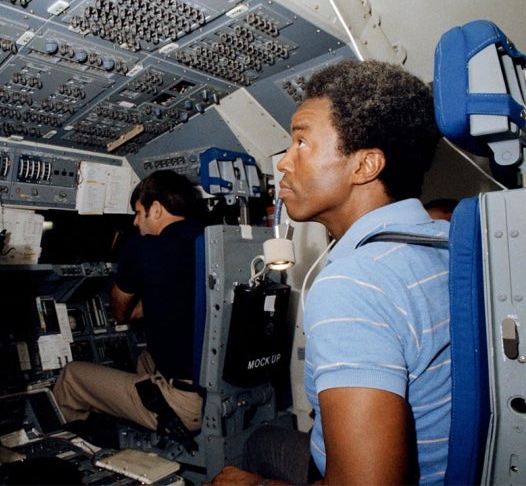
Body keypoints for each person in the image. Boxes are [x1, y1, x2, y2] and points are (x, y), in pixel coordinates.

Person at [211, 60, 450, 485]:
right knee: (265, 441)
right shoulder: (446, 244)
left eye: (301, 143)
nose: (283, 163)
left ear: (364, 166)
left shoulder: (355, 283)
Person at [53, 169, 205, 437]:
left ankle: (73, 450)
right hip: (220, 391)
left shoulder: (142, 248)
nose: (135, 222)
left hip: (186, 405)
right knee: (145, 359)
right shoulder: (210, 241)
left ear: (155, 210)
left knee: (71, 377)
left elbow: (121, 313)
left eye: (138, 212)